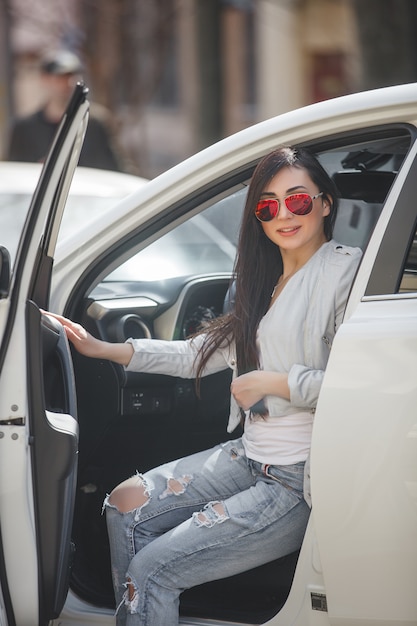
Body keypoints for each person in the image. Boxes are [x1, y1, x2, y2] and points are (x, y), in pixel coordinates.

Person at [48, 146, 362, 626]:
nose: (283, 214)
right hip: (251, 456)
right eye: (267, 205)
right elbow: (201, 354)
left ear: (325, 203)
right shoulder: (266, 281)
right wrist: (105, 349)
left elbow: (359, 384)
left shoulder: (344, 271)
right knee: (122, 504)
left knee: (152, 571)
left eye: (297, 200)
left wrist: (277, 383)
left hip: (298, 480)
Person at [7, 50, 122, 171]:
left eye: (73, 76)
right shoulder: (25, 128)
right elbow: (15, 172)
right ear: (45, 79)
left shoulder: (96, 122)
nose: (68, 83)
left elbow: (119, 166)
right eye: (60, 77)